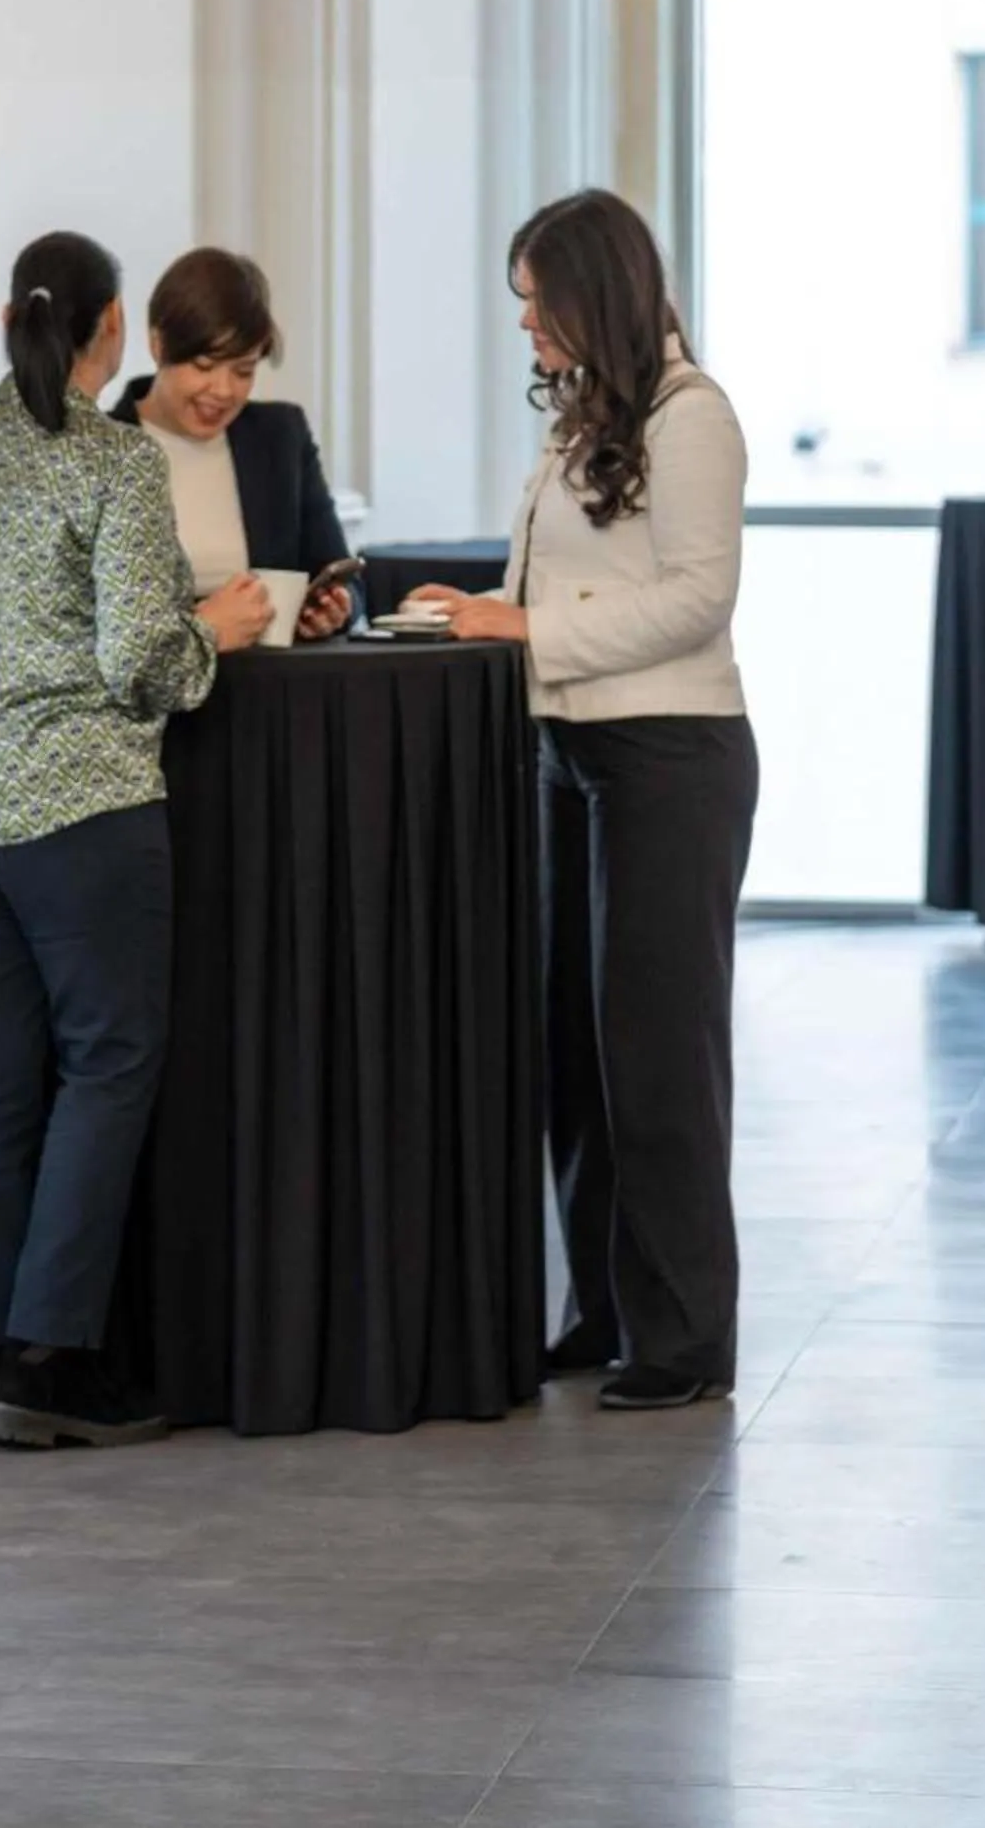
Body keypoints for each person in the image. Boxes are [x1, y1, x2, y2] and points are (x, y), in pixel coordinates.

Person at [0, 231, 274, 1450]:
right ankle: (56, 1361)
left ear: (15, 315)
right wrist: (214, 629)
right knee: (110, 1064)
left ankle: (9, 1353)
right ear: (113, 334)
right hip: (82, 804)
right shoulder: (112, 462)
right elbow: (141, 659)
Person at [403, 188, 757, 1413]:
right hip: (574, 757)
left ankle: (684, 1337)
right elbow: (556, 576)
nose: (525, 328)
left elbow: (697, 599)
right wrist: (486, 609)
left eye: (535, 302)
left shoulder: (692, 418)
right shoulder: (584, 419)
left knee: (659, 1057)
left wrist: (527, 625)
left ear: (589, 294)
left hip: (671, 760)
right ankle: (602, 1310)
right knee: (579, 1049)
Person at [109, 246, 355, 640]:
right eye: (204, 367)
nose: (222, 391)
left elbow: (337, 568)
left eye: (243, 371)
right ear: (158, 346)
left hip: (270, 687)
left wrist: (334, 608)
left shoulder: (281, 437)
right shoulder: (99, 448)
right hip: (156, 696)